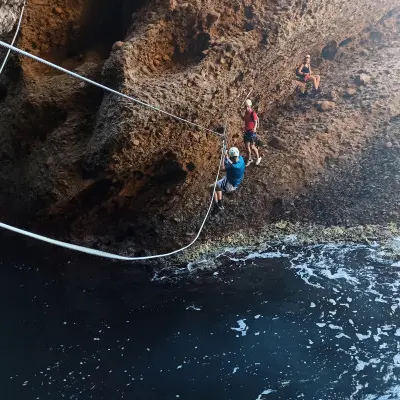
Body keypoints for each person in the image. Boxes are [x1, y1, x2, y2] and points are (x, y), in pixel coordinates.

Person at [213, 147, 245, 211]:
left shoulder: (233, 167)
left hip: (230, 184)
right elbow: (232, 162)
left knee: (212, 187)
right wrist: (227, 156)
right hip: (235, 182)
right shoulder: (241, 159)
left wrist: (223, 156)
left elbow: (222, 168)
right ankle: (220, 203)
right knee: (218, 185)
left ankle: (216, 206)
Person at [243, 99, 262, 167]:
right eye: (246, 107)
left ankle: (258, 157)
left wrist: (254, 128)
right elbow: (245, 119)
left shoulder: (252, 113)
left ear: (250, 106)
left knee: (252, 146)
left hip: (251, 132)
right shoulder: (246, 113)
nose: (247, 108)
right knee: (247, 147)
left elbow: (256, 121)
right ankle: (250, 159)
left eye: (248, 106)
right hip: (247, 131)